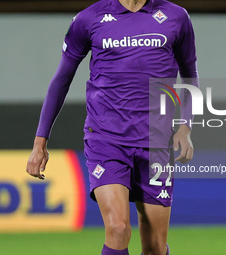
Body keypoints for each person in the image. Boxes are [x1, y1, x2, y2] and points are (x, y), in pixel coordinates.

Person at [26, 0, 198, 254]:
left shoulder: (176, 17)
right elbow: (62, 79)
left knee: (155, 247)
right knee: (118, 228)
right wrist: (40, 142)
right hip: (107, 141)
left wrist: (186, 126)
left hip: (156, 144)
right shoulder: (89, 19)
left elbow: (190, 75)